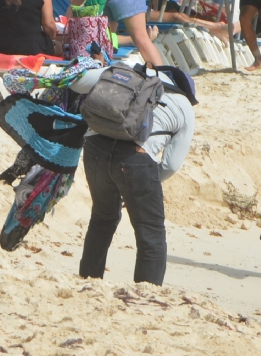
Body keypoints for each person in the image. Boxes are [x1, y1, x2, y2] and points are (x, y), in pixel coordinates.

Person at [73, 65, 196, 286]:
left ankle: (88, 281)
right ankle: (145, 293)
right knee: (151, 232)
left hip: (95, 150)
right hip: (136, 160)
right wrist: (142, 184)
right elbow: (170, 165)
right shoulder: (184, 106)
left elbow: (77, 82)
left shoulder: (124, 76)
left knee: (102, 219)